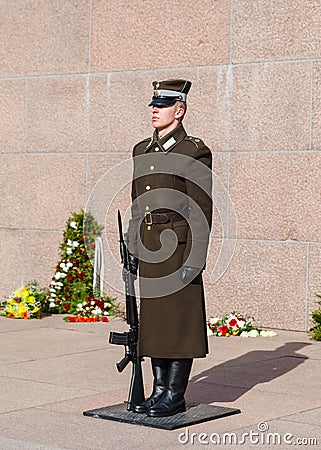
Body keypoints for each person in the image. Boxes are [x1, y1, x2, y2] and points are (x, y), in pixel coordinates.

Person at [126, 79, 212, 417]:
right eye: (152, 104)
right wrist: (133, 247)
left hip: (177, 249)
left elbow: (202, 207)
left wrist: (196, 256)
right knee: (157, 324)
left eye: (161, 105)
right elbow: (137, 204)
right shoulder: (141, 150)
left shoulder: (193, 151)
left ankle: (174, 395)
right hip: (150, 249)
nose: (154, 110)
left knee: (179, 322)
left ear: (180, 110)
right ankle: (158, 392)